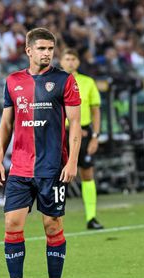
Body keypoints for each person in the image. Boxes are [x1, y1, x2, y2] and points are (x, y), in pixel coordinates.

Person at [0, 28, 82, 278]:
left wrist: (72, 161)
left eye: (50, 49)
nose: (47, 53)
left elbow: (75, 124)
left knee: (52, 226)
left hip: (52, 167)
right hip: (20, 167)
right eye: (41, 48)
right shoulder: (13, 81)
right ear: (28, 51)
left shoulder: (64, 80)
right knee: (12, 223)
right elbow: (6, 124)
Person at [60, 48, 103, 230]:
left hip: (84, 132)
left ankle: (91, 217)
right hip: (62, 132)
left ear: (77, 62)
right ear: (61, 62)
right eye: (67, 59)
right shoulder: (54, 81)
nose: (70, 62)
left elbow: (95, 110)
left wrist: (95, 136)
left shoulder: (87, 82)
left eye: (73, 59)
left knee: (87, 173)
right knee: (59, 176)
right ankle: (56, 217)